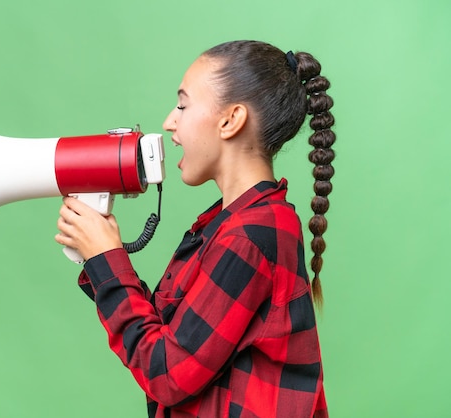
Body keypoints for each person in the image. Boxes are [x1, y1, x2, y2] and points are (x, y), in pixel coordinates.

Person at [55, 40, 334, 418]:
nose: (170, 121)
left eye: (183, 105)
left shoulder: (250, 236)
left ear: (230, 120)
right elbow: (173, 338)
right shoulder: (236, 222)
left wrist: (107, 260)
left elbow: (167, 372)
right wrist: (101, 254)